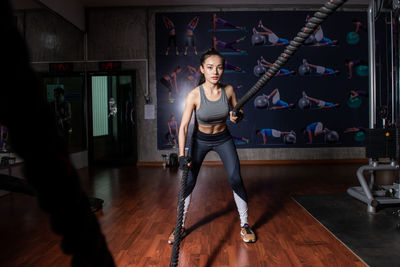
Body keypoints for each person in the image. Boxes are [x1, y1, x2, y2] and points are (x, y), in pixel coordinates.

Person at [168, 48, 256, 244]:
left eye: (219, 68)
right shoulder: (194, 95)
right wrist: (181, 155)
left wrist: (237, 115)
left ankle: (245, 224)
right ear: (202, 69)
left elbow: (237, 116)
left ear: (223, 70)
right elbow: (183, 127)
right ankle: (179, 226)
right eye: (210, 68)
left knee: (235, 178)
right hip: (200, 141)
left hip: (223, 138)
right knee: (188, 182)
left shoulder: (229, 90)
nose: (215, 72)